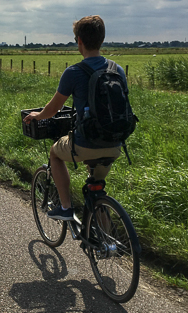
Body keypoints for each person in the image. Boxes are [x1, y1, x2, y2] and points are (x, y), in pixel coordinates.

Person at [23, 15, 126, 220]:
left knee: (54, 153)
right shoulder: (117, 70)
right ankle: (106, 239)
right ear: (102, 39)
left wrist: (37, 115)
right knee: (95, 188)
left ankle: (66, 207)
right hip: (115, 144)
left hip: (85, 143)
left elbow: (53, 109)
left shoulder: (74, 72)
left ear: (79, 40)